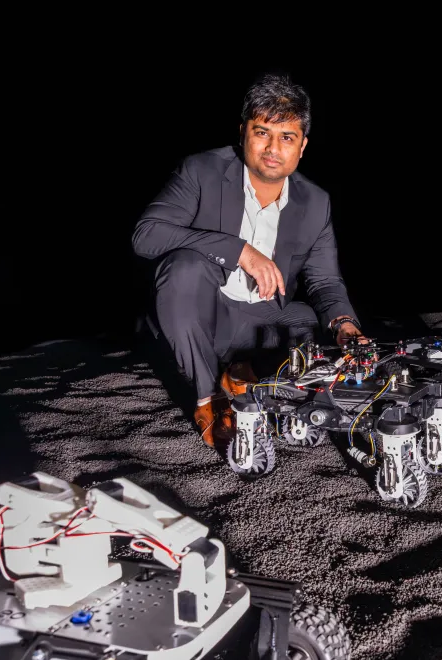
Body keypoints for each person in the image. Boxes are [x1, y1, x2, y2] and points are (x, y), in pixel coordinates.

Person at [132, 72, 366, 449]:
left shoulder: (315, 202)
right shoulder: (201, 171)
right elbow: (147, 235)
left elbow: (325, 281)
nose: (273, 147)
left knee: (317, 327)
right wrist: (238, 250)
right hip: (203, 317)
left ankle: (243, 373)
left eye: (286, 137)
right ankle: (210, 398)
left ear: (302, 145)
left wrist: (344, 324)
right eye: (262, 132)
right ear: (243, 132)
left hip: (261, 322)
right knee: (183, 269)